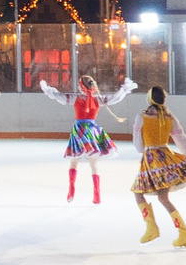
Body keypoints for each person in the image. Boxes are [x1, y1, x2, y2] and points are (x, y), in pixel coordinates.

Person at [38, 72, 138, 204]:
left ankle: (71, 189)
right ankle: (97, 194)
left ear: (81, 87)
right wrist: (124, 89)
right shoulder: (98, 99)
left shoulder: (76, 98)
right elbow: (115, 99)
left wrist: (48, 90)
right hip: (93, 131)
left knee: (74, 161)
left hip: (80, 131)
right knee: (94, 163)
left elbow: (60, 97)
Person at [131, 85, 186, 247]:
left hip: (151, 160)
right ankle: (184, 234)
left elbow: (138, 146)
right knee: (163, 197)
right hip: (166, 158)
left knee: (138, 192)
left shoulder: (141, 117)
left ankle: (151, 228)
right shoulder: (169, 117)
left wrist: (147, 147)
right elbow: (182, 140)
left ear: (149, 99)